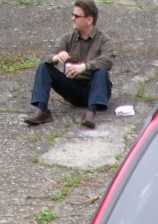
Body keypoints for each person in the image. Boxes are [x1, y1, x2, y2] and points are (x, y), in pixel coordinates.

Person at [25, 1, 114, 129]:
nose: (72, 18)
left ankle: (90, 113)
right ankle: (41, 111)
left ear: (89, 20)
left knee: (101, 71)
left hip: (94, 88)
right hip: (73, 88)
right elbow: (45, 57)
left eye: (77, 16)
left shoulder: (103, 39)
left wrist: (85, 66)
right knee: (44, 67)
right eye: (72, 15)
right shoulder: (68, 38)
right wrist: (55, 58)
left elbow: (108, 60)